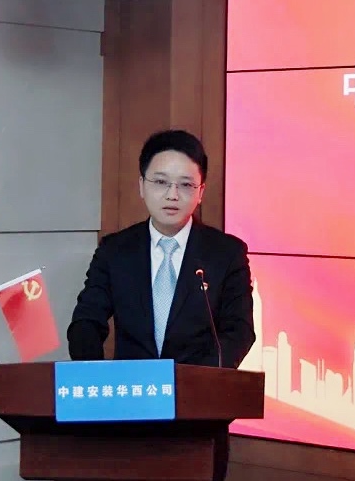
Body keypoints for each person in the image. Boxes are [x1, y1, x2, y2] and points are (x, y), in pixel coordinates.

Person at [67, 129, 256, 481]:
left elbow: (239, 331)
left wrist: (187, 385)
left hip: (198, 418)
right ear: (141, 185)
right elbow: (86, 321)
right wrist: (97, 381)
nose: (172, 195)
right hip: (126, 413)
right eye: (161, 182)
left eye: (185, 185)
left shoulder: (226, 254)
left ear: (201, 192)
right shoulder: (115, 251)